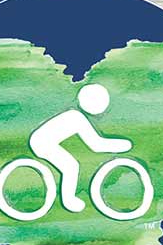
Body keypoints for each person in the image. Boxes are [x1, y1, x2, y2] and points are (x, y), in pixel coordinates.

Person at [28, 83, 132, 212]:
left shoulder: (75, 115)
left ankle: (68, 200)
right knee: (70, 166)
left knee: (70, 165)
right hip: (41, 143)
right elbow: (96, 145)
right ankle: (68, 201)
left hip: (41, 141)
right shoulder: (76, 118)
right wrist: (125, 145)